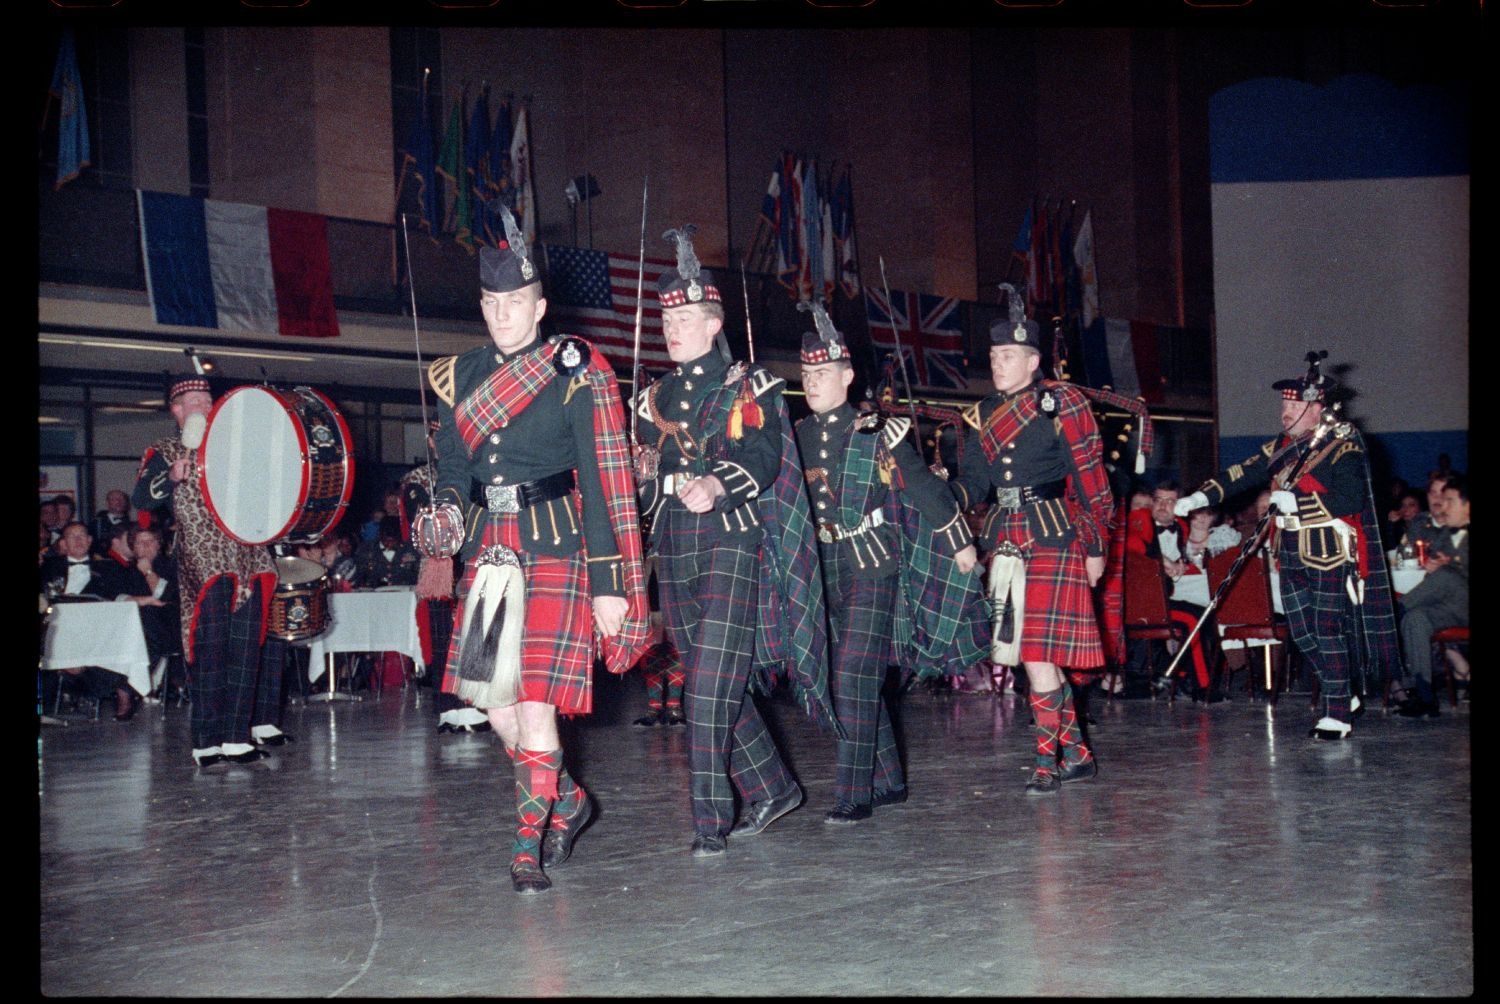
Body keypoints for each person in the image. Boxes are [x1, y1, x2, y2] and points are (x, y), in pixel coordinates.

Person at [417, 212, 649, 894]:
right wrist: (449, 509)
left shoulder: (572, 371)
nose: (502, 316)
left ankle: (529, 843)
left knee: (537, 702)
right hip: (493, 550)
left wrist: (611, 584)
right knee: (497, 708)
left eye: (515, 303)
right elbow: (456, 466)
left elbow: (605, 483)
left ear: (539, 306)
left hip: (557, 545)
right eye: (492, 304)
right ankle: (568, 800)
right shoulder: (459, 376)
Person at [633, 224, 835, 855]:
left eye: (688, 318)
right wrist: (651, 482)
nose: (674, 330)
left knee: (708, 686)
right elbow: (638, 478)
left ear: (715, 323)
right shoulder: (650, 399)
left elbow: (766, 455)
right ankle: (774, 787)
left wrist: (717, 484)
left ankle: (709, 820)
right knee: (711, 679)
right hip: (674, 547)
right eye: (669, 320)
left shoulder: (750, 387)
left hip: (731, 542)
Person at [794, 300, 983, 823]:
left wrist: (959, 543)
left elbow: (924, 489)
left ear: (848, 376)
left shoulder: (880, 432)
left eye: (823, 373)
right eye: (807, 373)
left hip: (874, 562)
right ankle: (891, 780)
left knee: (854, 674)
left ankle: (854, 792)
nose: (813, 382)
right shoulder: (800, 436)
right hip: (825, 568)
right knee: (847, 677)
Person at [1175, 353, 1401, 740]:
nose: (1286, 410)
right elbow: (1242, 472)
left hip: (1328, 548)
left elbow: (1353, 495)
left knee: (1327, 628)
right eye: (1284, 403)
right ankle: (1342, 690)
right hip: (1291, 547)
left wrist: (1300, 502)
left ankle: (1337, 714)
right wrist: (1199, 498)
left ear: (1316, 408)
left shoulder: (1343, 443)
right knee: (1301, 630)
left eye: (1295, 404)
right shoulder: (1283, 445)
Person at [950, 307, 1113, 794]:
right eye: (994, 355)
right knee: (1032, 657)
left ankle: (1046, 762)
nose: (997, 363)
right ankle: (1078, 754)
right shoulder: (983, 415)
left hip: (1053, 534)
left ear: (1033, 360)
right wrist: (947, 497)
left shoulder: (1061, 403)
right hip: (1004, 537)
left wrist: (1096, 545)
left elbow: (1091, 479)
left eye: (1008, 355)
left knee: (1039, 656)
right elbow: (976, 482)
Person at [132, 374, 283, 767]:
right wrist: (171, 477)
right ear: (177, 411)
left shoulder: (236, 448)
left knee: (247, 648)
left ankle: (236, 736)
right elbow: (141, 498)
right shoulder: (164, 450)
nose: (203, 406)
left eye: (207, 399)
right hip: (205, 556)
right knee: (210, 646)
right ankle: (205, 741)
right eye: (195, 400)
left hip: (250, 551)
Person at [398, 437, 490, 734]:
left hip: (472, 557)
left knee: (472, 634)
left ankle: (473, 704)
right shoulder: (417, 479)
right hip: (439, 563)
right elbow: (417, 521)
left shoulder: (476, 469)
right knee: (443, 639)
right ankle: (447, 707)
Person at [40, 521, 140, 720]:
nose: (77, 540)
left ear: (90, 541)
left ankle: (117, 691)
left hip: (99, 630)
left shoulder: (109, 567)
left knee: (123, 638)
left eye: (82, 535)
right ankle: (107, 687)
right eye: (71, 536)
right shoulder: (48, 567)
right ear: (63, 544)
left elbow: (123, 596)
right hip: (57, 627)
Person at [1392, 474, 1469, 718]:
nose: (1443, 506)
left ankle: (1394, 612)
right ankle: (1424, 695)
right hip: (1453, 606)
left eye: (1450, 501)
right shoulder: (1447, 532)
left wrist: (1454, 565)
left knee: (1447, 575)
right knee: (1416, 618)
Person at [89, 489, 132, 557]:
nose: (118, 502)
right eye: (114, 499)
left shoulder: (131, 526)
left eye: (121, 499)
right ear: (107, 503)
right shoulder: (96, 523)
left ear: (126, 502)